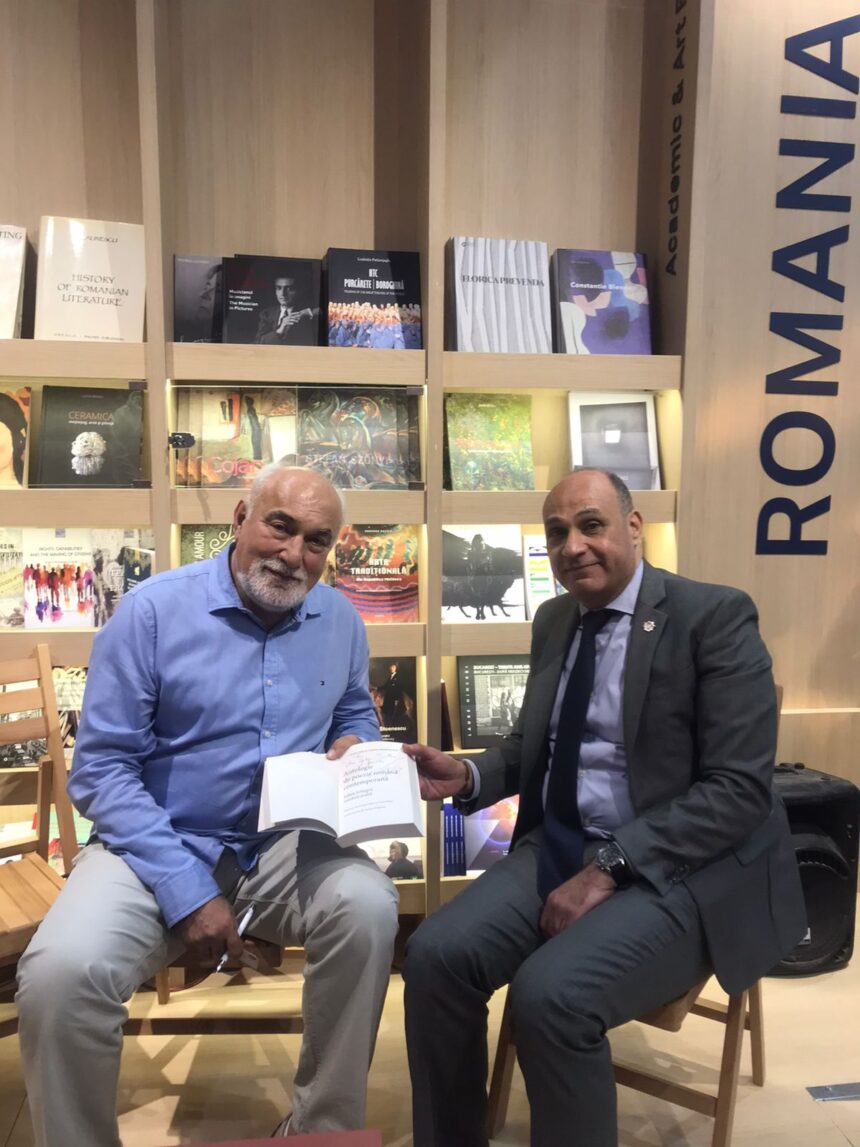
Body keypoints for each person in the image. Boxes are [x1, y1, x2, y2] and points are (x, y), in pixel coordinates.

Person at [402, 468, 806, 1147]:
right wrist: (468, 773)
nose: (573, 546)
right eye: (557, 532)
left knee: (551, 996)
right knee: (434, 955)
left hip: (679, 867)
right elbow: (536, 744)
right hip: (561, 845)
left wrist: (611, 866)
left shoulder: (714, 616)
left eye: (591, 525)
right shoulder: (555, 618)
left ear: (634, 526)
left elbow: (737, 788)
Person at [16, 465, 399, 1147]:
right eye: (279, 526)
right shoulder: (152, 612)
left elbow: (350, 708)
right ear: (240, 516)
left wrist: (354, 740)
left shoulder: (340, 618)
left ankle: (320, 1128)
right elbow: (102, 770)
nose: (293, 554)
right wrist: (188, 890)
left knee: (368, 904)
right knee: (61, 973)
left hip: (282, 844)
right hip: (154, 842)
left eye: (316, 541)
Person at [256, 274, 318, 345]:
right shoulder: (266, 313)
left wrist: (307, 312)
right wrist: (280, 330)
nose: (283, 294)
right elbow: (259, 342)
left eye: (289, 288)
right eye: (279, 288)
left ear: (298, 290)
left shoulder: (309, 311)